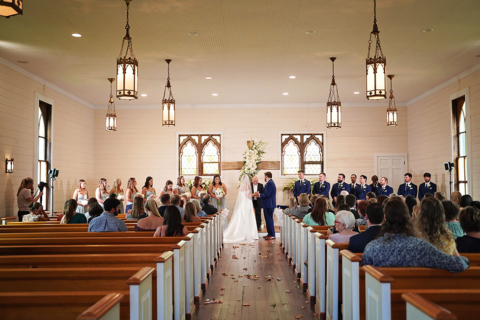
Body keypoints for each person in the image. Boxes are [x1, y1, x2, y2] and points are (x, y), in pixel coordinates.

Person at [362, 197, 469, 273]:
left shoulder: (371, 248)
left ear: (384, 219)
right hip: (417, 301)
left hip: (381, 301)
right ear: (408, 218)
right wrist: (464, 260)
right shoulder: (422, 247)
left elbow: (363, 279)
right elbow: (457, 265)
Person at [223, 174, 259, 243]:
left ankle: (246, 232)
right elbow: (247, 195)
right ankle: (246, 233)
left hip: (245, 203)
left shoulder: (242, 185)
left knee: (243, 217)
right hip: (246, 203)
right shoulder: (245, 186)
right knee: (246, 218)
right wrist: (254, 194)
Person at [254, 171, 277, 240]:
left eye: (264, 176)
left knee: (269, 219)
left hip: (269, 204)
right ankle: (270, 233)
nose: (264, 178)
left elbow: (267, 194)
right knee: (267, 219)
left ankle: (272, 234)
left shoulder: (270, 183)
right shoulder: (270, 183)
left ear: (266, 176)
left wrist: (259, 195)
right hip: (268, 204)